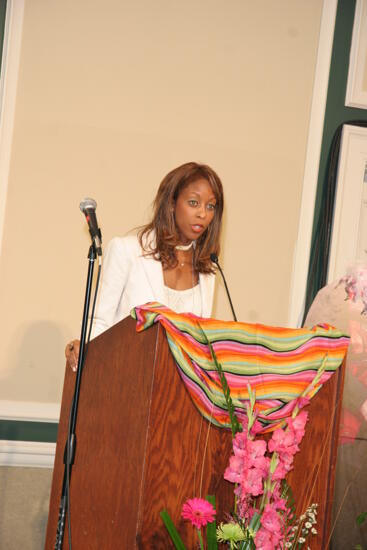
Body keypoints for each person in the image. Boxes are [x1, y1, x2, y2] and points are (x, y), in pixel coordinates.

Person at [65, 161, 224, 370]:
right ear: (171, 203)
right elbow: (98, 322)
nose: (203, 214)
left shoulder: (207, 271)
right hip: (123, 378)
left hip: (175, 393)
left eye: (210, 206)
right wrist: (83, 349)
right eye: (194, 203)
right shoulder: (128, 251)